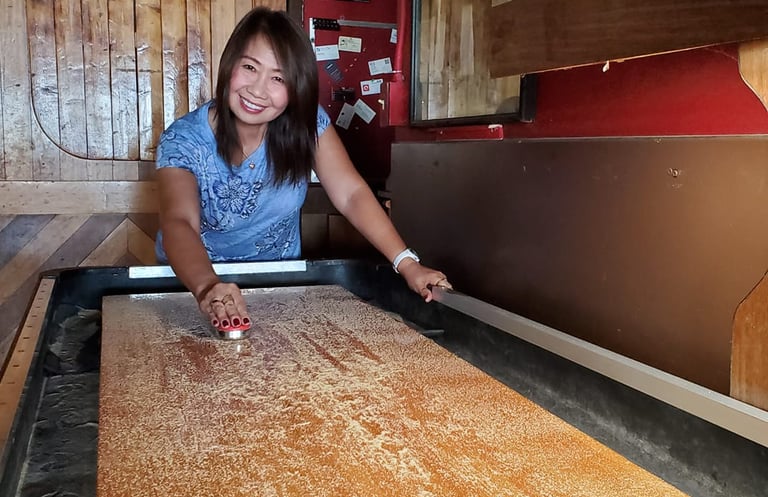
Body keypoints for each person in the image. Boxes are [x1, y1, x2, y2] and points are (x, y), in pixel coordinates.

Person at [155, 7, 451, 331]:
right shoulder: (183, 140)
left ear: (296, 88)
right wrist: (208, 287)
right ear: (230, 65)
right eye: (250, 67)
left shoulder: (307, 124)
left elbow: (351, 194)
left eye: (278, 78)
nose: (257, 89)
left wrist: (407, 264)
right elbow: (179, 221)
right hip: (194, 289)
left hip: (282, 290)